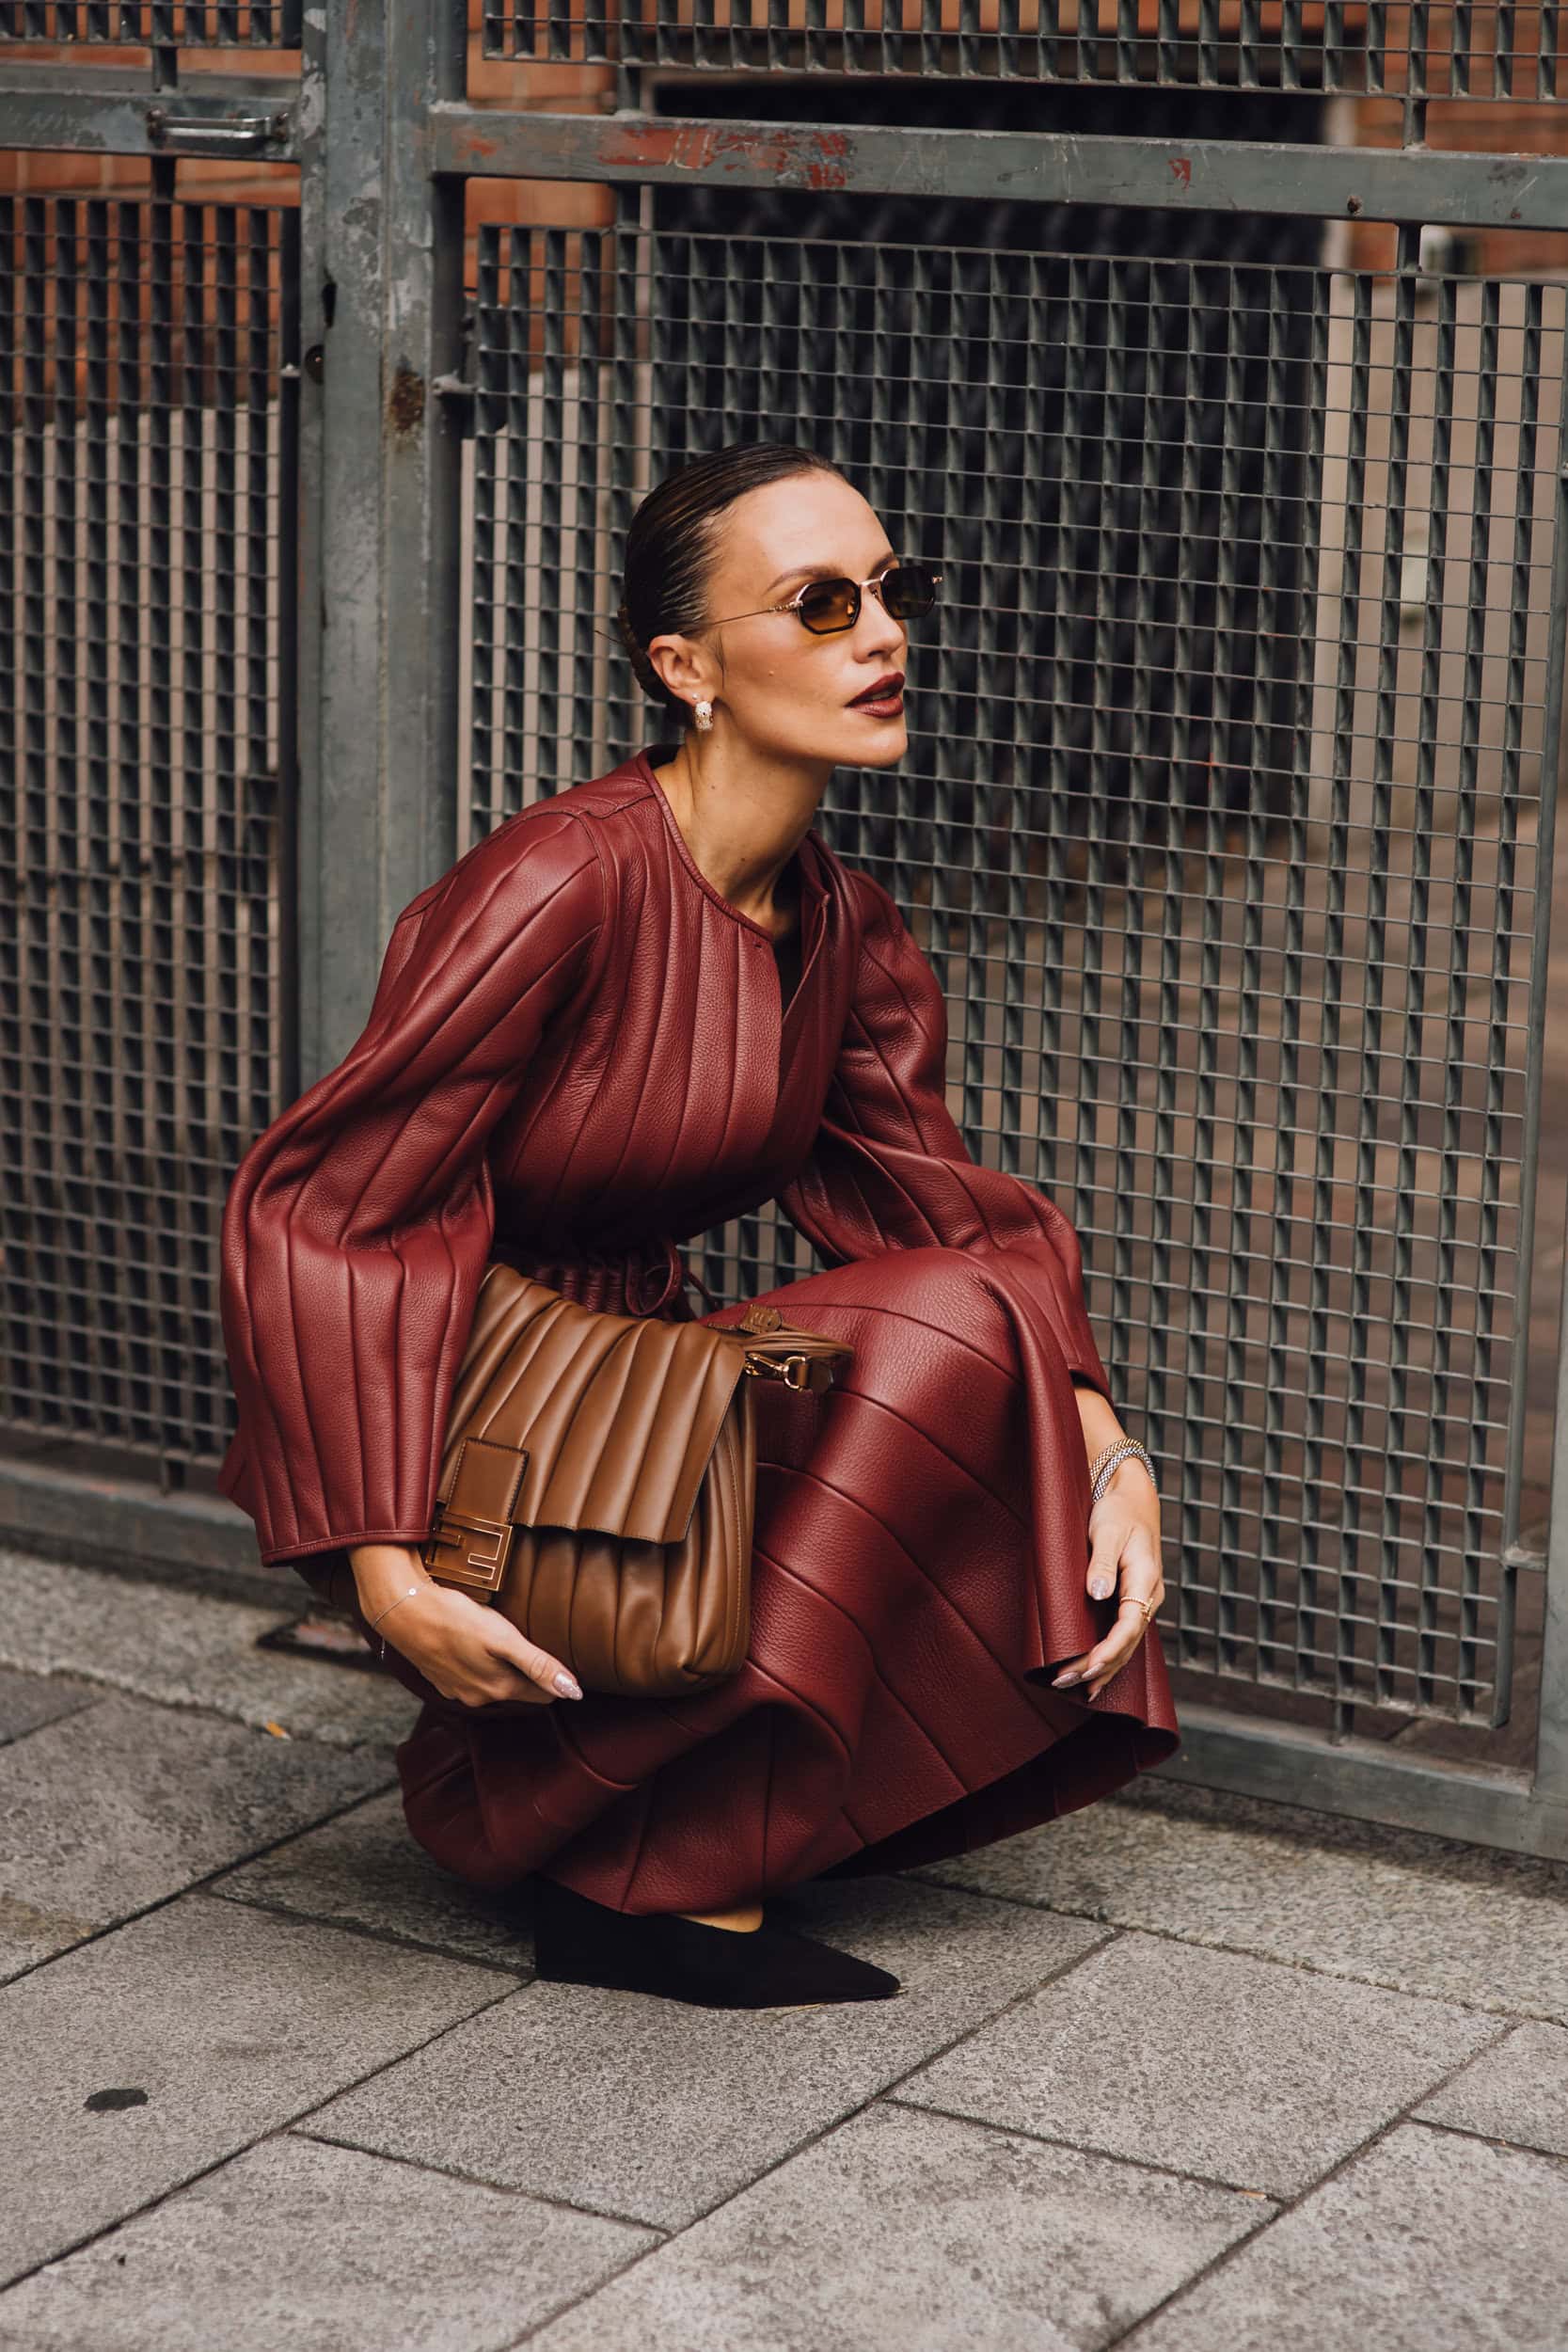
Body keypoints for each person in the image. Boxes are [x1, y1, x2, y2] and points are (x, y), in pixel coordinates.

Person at [215, 438, 1178, 2011]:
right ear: (686, 668)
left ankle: (655, 1866)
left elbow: (944, 1205)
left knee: (967, 1327)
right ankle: (568, 1823)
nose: (884, 634)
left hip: (632, 1412)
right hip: (454, 1428)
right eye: (820, 604)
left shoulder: (839, 920)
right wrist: (383, 1570)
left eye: (893, 591)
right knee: (942, 1329)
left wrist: (1107, 1454)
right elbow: (332, 1208)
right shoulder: (564, 881)